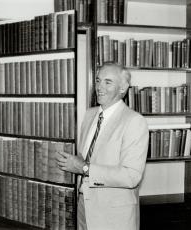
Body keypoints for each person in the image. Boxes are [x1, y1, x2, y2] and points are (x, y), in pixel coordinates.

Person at [56, 62, 149, 230]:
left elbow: (131, 176)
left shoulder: (134, 121)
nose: (99, 87)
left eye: (108, 82)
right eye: (98, 81)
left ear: (123, 88)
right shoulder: (90, 114)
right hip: (83, 207)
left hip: (113, 217)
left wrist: (84, 168)